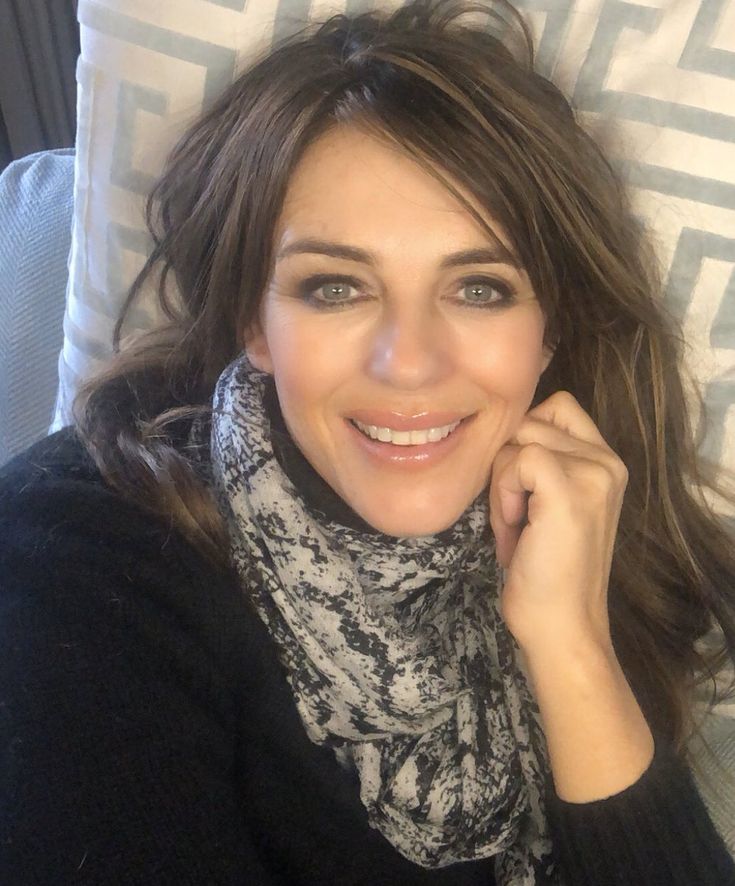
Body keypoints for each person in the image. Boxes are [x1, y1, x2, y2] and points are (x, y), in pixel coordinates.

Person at [1, 0, 734, 883]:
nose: (409, 365)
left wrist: (571, 640)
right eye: (335, 288)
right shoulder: (78, 555)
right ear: (254, 323)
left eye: (479, 289)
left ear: (549, 333)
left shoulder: (582, 520)